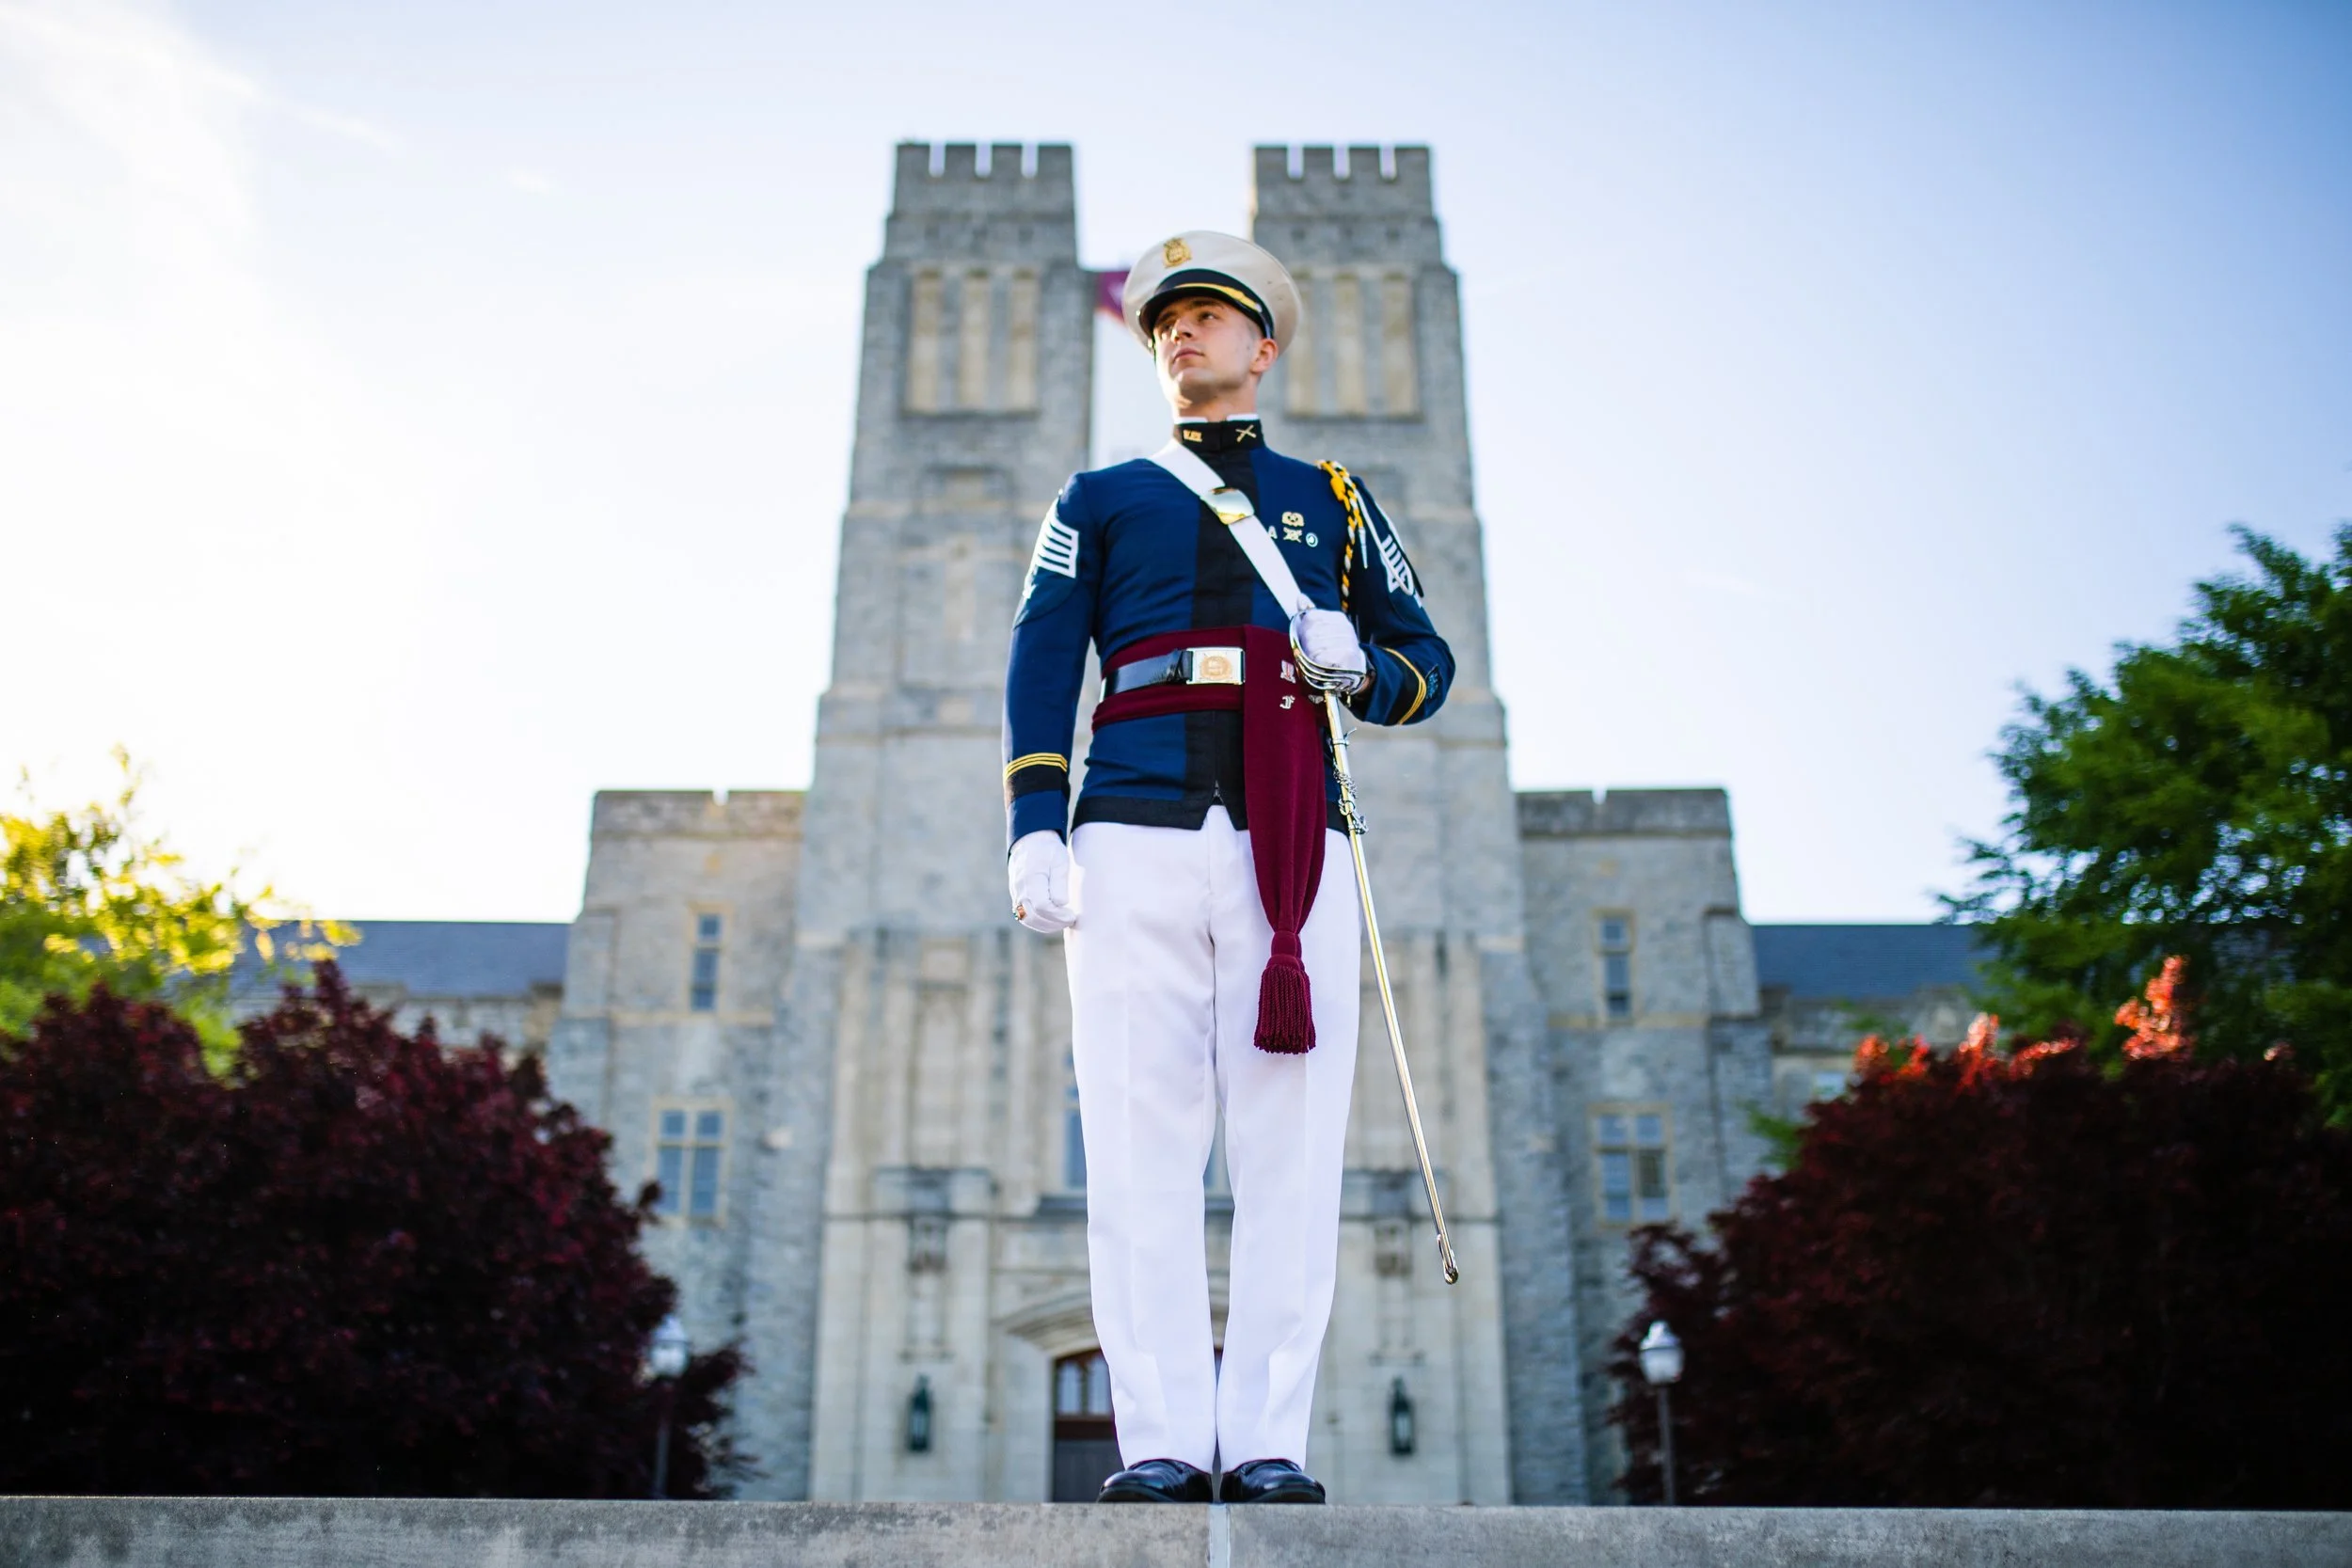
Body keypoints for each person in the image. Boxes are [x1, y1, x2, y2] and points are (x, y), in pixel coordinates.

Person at [1001, 231, 1454, 1505]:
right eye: (1165, 326)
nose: (1182, 337)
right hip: (1134, 819)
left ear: (1264, 344)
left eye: (1206, 318)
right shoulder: (1098, 495)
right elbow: (1043, 656)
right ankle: (1156, 1436)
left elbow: (1428, 660)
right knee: (1140, 1139)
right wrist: (1037, 818)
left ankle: (1264, 1438)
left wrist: (1358, 663)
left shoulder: (1338, 499)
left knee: (1290, 1148)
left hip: (1289, 828)